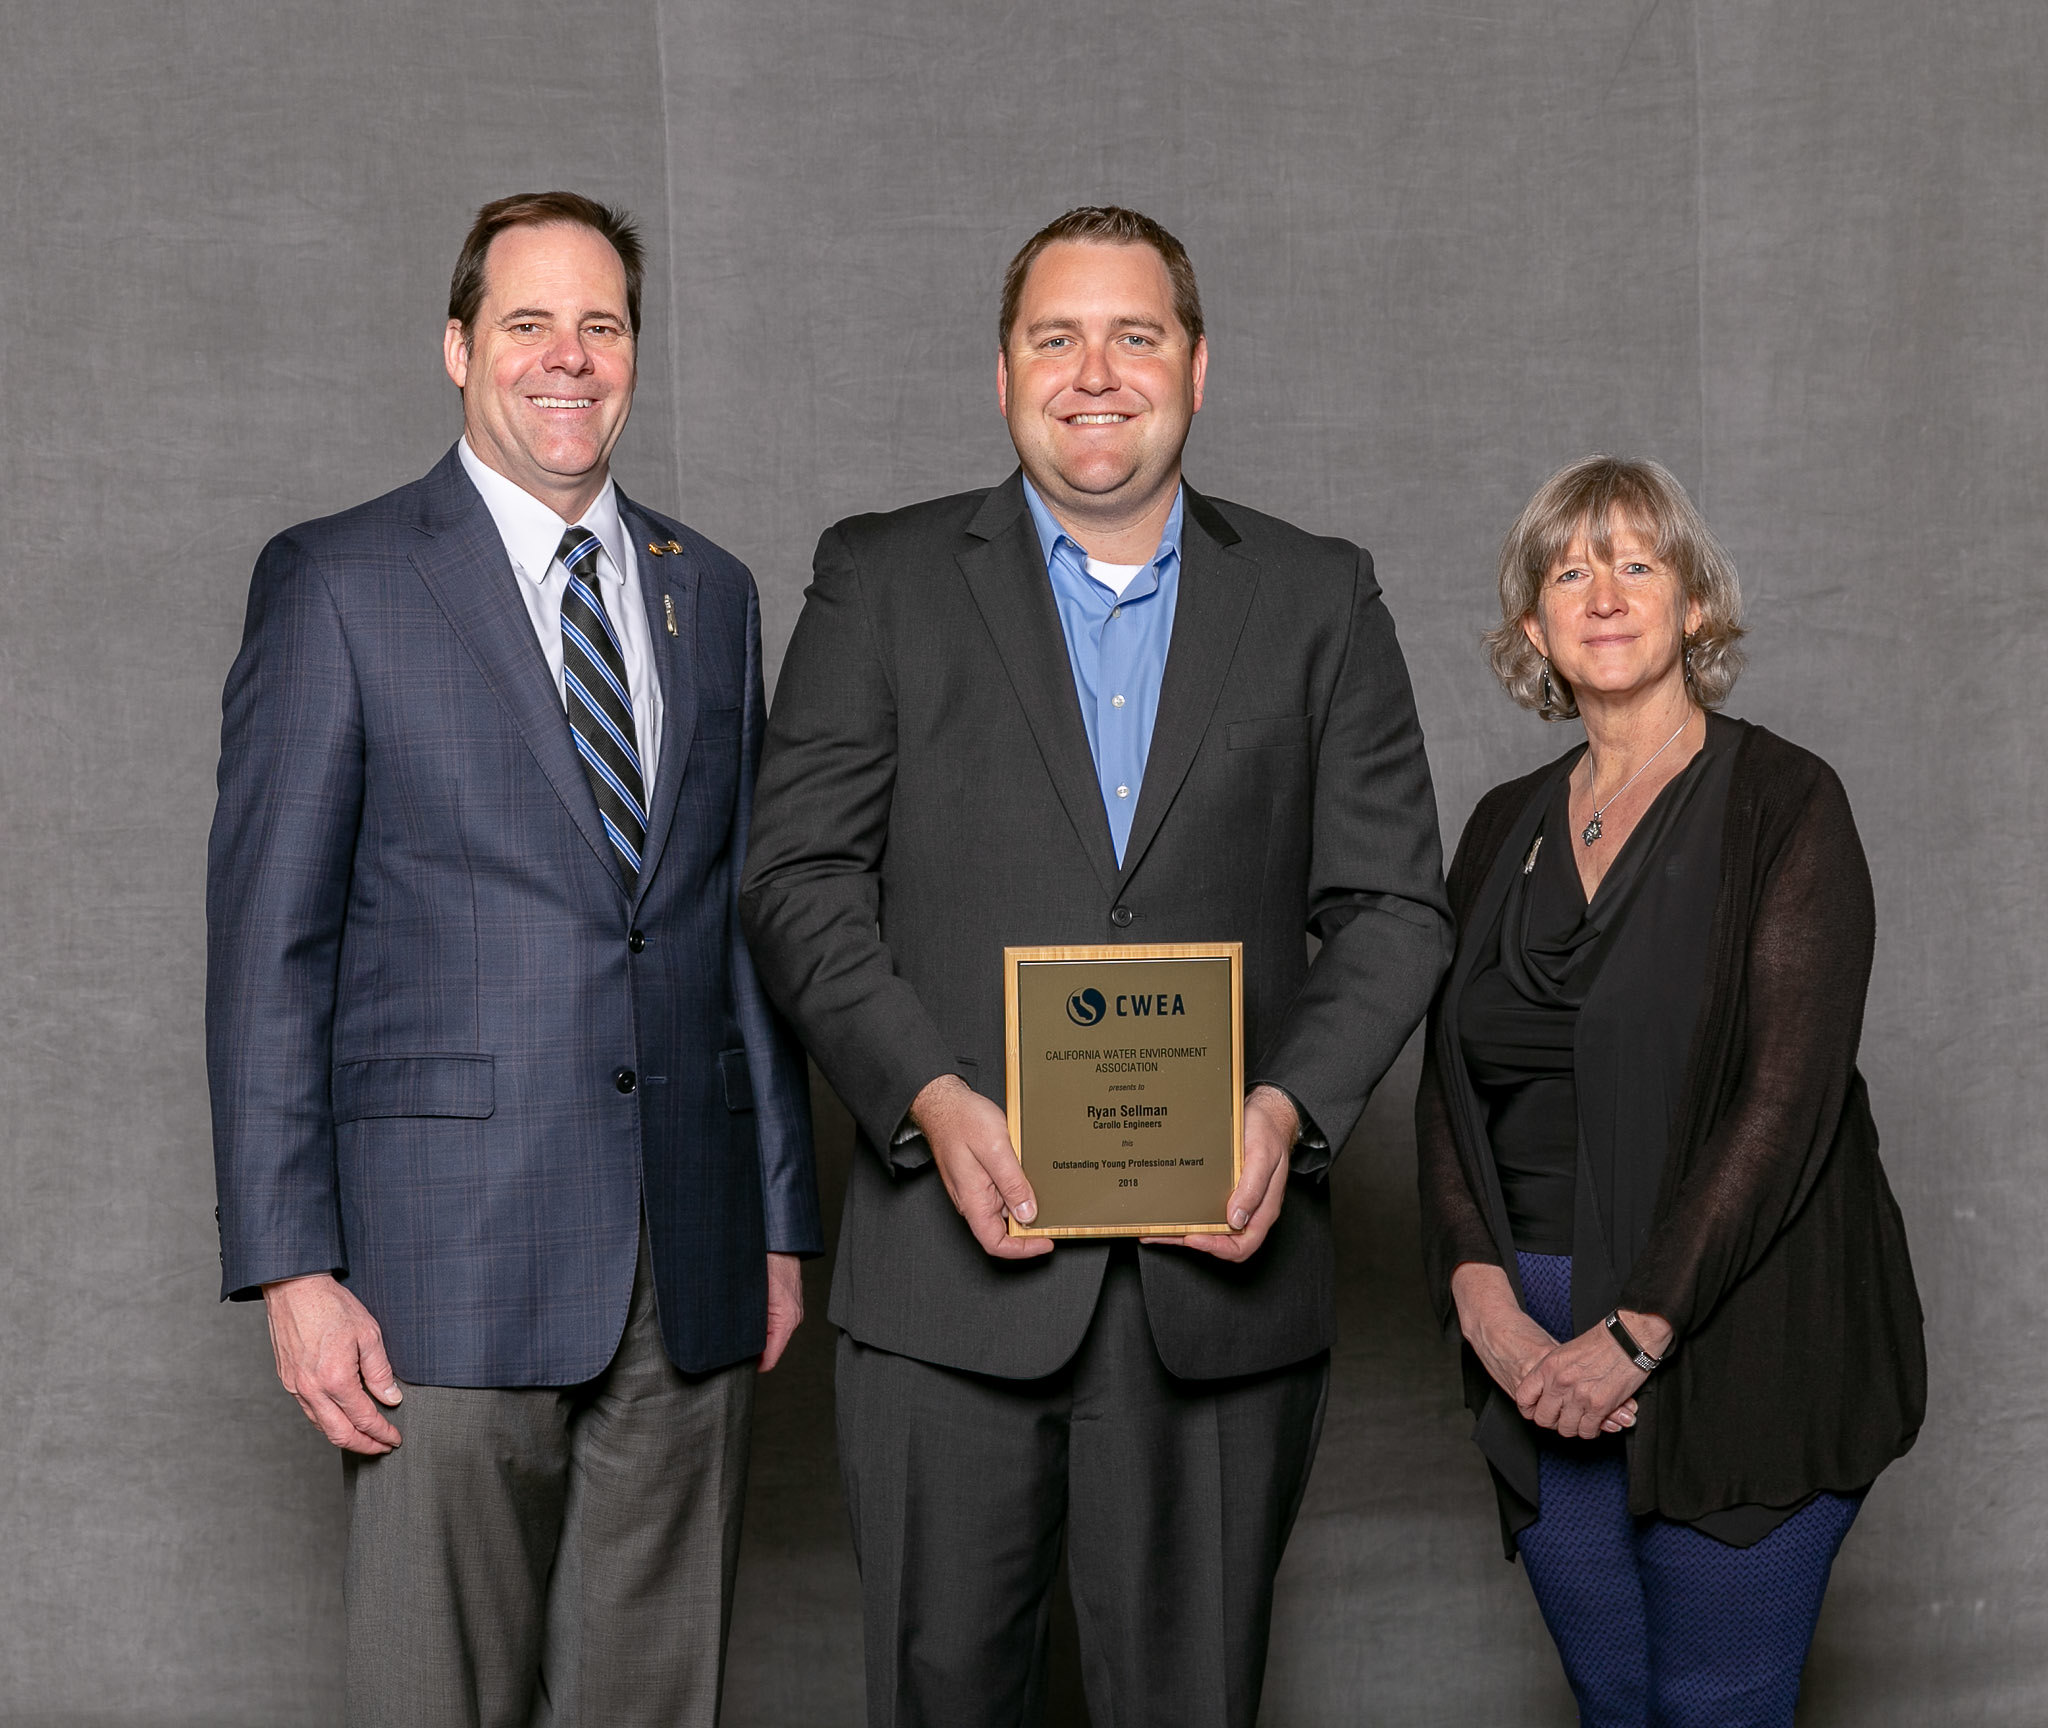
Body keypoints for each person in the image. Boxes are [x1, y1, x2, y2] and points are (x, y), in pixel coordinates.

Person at [739, 205, 1451, 1727]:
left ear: (1200, 365)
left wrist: (1284, 1113)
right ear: (1003, 375)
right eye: (1055, 336)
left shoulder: (1321, 598)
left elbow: (1394, 910)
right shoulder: (882, 578)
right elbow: (795, 879)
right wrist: (927, 1094)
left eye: (1135, 334)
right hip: (946, 1283)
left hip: (1219, 1301)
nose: (1095, 372)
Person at [206, 191, 818, 1727]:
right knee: (439, 1696)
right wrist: (293, 1265)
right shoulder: (339, 581)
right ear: (458, 348)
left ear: (633, 354)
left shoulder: (713, 588)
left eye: (602, 324)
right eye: (529, 322)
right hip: (437, 1264)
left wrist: (781, 1218)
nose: (569, 357)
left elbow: (742, 921)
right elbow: (269, 950)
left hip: (686, 1254)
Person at [1415, 454, 1926, 1726]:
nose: (1602, 590)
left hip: (1736, 1337)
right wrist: (1480, 1297)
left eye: (1636, 562)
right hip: (1531, 1351)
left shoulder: (1784, 803)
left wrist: (1636, 1331)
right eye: (1567, 568)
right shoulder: (1496, 827)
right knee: (1613, 1703)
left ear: (1693, 604)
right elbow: (1441, 1084)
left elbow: (1784, 1102)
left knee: (1713, 1709)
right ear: (1531, 623)